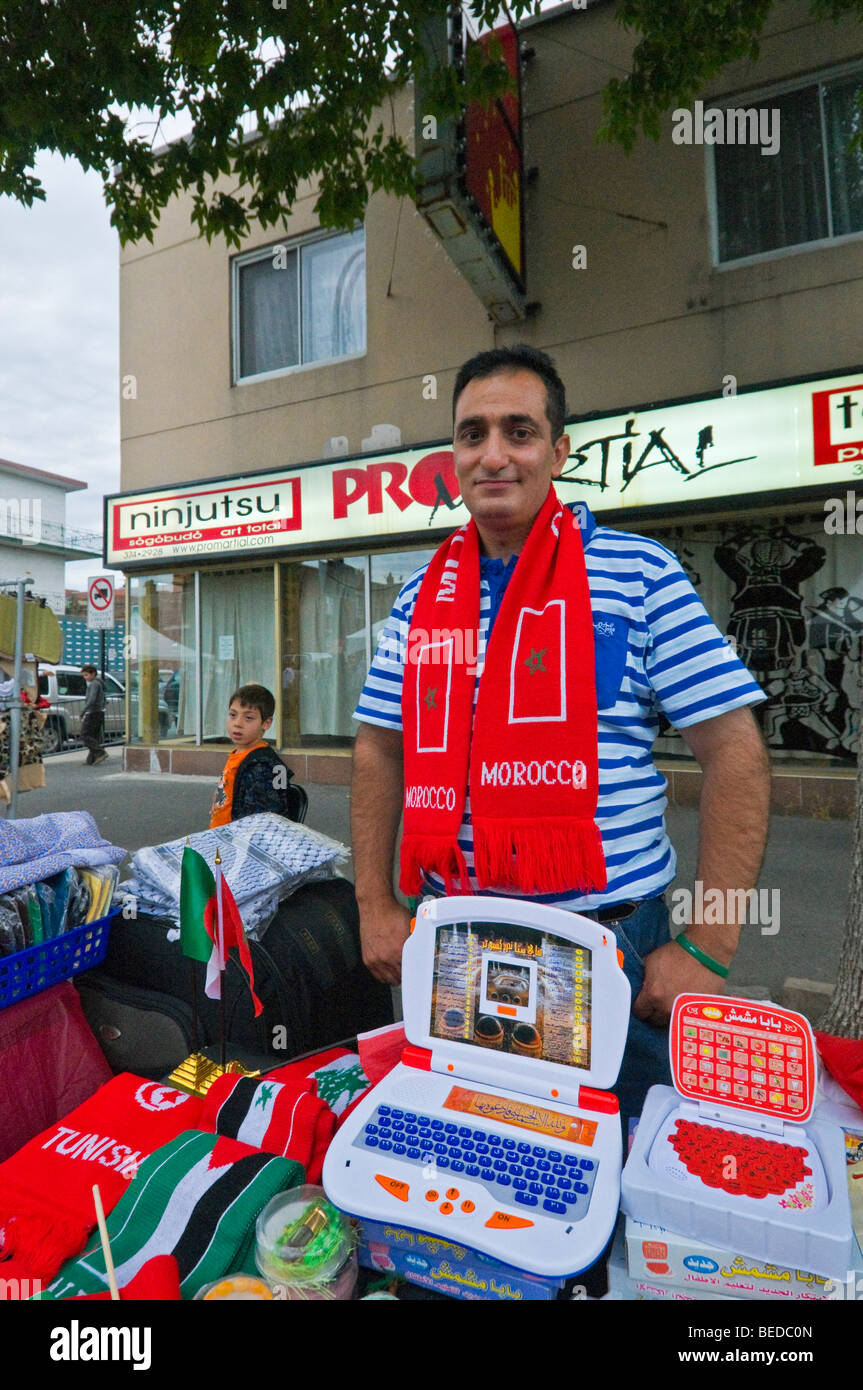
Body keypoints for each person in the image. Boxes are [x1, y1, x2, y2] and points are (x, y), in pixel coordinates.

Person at [351, 345, 771, 1124]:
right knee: (479, 1152)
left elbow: (733, 750)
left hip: (612, 947)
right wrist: (374, 901)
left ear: (558, 450)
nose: (494, 454)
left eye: (519, 430)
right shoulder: (418, 600)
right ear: (454, 455)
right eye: (472, 433)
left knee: (615, 1156)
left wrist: (711, 943)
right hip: (458, 942)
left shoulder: (637, 575)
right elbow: (381, 748)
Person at [209, 683, 304, 827]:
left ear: (266, 723)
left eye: (248, 718)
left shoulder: (262, 766)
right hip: (221, 836)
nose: (237, 723)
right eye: (233, 715)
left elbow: (259, 822)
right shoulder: (239, 755)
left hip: (238, 843)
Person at [80, 664, 107, 765]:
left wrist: (82, 713)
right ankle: (91, 759)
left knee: (84, 735)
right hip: (98, 712)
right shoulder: (98, 683)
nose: (85, 678)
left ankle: (100, 752)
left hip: (93, 712)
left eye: (86, 675)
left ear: (93, 674)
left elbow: (91, 700)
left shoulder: (94, 684)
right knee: (93, 736)